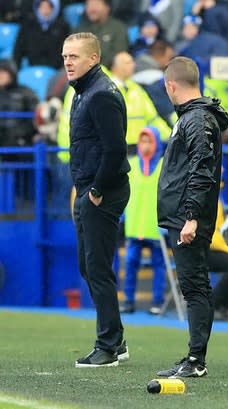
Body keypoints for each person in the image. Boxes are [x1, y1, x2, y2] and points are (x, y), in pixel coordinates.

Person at [155, 56, 228, 378]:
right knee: (193, 286)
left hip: (188, 217)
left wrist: (191, 216)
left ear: (171, 86)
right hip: (184, 214)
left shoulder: (196, 120)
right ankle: (194, 356)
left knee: (195, 286)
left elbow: (201, 171)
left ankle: (197, 359)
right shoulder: (194, 117)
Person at [63, 32, 131, 368]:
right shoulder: (84, 92)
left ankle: (108, 345)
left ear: (93, 59)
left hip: (103, 189)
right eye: (65, 57)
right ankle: (114, 336)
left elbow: (116, 148)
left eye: (74, 57)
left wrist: (97, 190)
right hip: (91, 187)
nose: (67, 63)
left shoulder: (100, 94)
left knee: (98, 267)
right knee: (88, 266)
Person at [120, 127, 165, 315]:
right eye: (142, 141)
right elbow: (123, 192)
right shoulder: (130, 165)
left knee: (159, 266)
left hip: (156, 227)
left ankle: (157, 302)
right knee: (130, 263)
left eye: (149, 141)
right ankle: (128, 301)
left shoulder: (164, 166)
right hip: (135, 226)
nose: (145, 145)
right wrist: (121, 215)